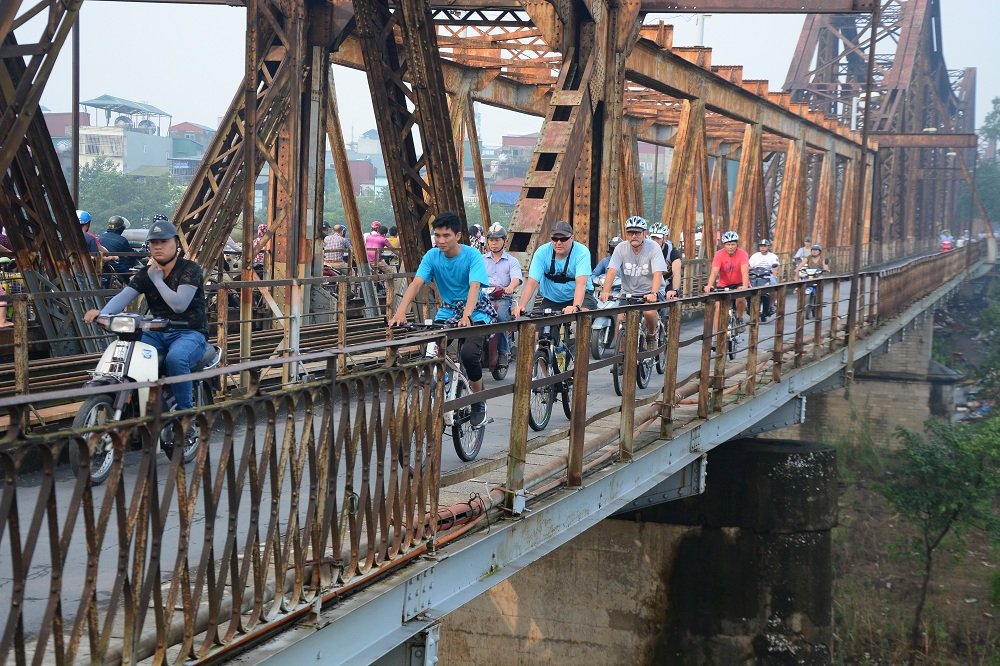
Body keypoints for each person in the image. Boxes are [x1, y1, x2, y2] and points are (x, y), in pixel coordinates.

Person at [84, 219, 208, 412]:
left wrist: (158, 281)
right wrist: (103, 313)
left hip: (188, 332)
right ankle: (143, 406)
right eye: (154, 243)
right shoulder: (145, 274)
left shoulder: (189, 269)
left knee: (176, 359)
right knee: (130, 354)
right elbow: (125, 296)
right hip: (157, 331)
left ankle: (186, 415)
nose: (158, 247)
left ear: (176, 243)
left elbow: (179, 306)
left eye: (164, 242)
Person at [388, 211, 493, 427]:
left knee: (469, 354)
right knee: (430, 351)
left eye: (446, 235)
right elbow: (417, 282)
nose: (441, 240)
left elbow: (475, 287)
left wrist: (467, 315)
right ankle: (437, 385)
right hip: (448, 310)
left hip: (476, 310)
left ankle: (478, 400)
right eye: (437, 235)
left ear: (458, 235)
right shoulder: (432, 256)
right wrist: (400, 312)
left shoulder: (472, 255)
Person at [598, 216, 666, 345]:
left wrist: (654, 293)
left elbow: (658, 273)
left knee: (649, 311)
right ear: (626, 233)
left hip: (650, 291)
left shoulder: (653, 247)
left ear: (644, 233)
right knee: (620, 319)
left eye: (638, 232)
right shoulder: (620, 248)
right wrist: (605, 291)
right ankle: (621, 357)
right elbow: (612, 270)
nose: (634, 236)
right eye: (630, 232)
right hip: (629, 292)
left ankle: (651, 336)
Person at [513, 220, 597, 320]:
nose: (558, 243)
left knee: (583, 317)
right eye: (555, 239)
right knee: (540, 330)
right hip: (553, 298)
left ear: (572, 238)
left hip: (580, 296)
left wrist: (576, 307)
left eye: (563, 239)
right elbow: (532, 282)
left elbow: (581, 284)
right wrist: (522, 306)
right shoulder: (542, 252)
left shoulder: (582, 252)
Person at [482, 223, 522, 366]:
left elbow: (517, 277)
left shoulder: (512, 261)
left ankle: (504, 351)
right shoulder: (481, 260)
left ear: (504, 241)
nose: (494, 243)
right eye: (491, 240)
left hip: (502, 297)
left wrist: (511, 287)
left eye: (497, 240)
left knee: (500, 317)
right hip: (483, 297)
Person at [703, 230, 750, 330]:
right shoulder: (719, 254)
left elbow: (745, 272)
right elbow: (714, 272)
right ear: (724, 245)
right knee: (718, 308)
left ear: (737, 244)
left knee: (740, 299)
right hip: (724, 284)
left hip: (739, 282)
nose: (730, 247)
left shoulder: (742, 254)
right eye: (728, 244)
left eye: (733, 244)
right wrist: (709, 285)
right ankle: (717, 335)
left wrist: (745, 286)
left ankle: (739, 318)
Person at [748, 238, 779, 321]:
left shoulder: (773, 256)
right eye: (761, 246)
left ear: (768, 247)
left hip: (767, 275)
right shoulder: (755, 256)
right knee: (746, 286)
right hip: (756, 275)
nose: (763, 248)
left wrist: (774, 274)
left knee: (774, 286)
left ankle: (771, 305)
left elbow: (775, 267)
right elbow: (749, 266)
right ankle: (747, 306)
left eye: (764, 246)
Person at [649, 223, 682, 299]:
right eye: (653, 238)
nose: (655, 241)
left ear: (665, 238)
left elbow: (676, 273)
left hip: (667, 281)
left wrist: (675, 290)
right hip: (651, 281)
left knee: (672, 297)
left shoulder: (672, 252)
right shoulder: (646, 250)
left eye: (658, 238)